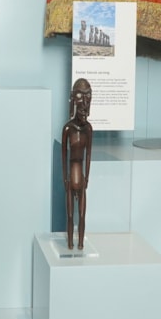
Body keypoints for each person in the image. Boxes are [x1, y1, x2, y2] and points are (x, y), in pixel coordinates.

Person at [61, 78, 93, 250]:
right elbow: (64, 156)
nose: (84, 107)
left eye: (88, 97)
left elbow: (88, 156)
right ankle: (70, 244)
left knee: (81, 215)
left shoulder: (88, 129)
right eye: (81, 97)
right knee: (70, 215)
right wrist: (65, 179)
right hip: (71, 175)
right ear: (74, 100)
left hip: (80, 176)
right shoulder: (68, 129)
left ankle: (80, 244)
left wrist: (87, 177)